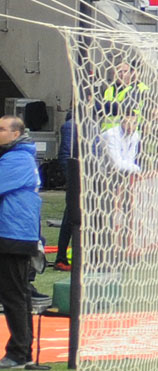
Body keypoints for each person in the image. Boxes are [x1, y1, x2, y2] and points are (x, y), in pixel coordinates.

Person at [0, 116, 41, 369]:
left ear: (16, 134)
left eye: (2, 129)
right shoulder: (18, 157)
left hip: (13, 234)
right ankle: (21, 350)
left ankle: (18, 352)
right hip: (16, 232)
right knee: (18, 294)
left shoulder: (17, 159)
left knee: (14, 294)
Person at [54, 111, 75, 271]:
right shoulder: (70, 126)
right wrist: (71, 178)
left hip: (87, 178)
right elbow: (65, 154)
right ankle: (61, 258)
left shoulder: (91, 124)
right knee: (70, 218)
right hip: (76, 179)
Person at [101, 61, 148, 131]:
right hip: (107, 134)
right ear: (114, 73)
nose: (122, 75)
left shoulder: (135, 89)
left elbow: (125, 107)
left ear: (130, 73)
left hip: (128, 133)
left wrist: (104, 105)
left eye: (125, 71)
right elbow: (98, 109)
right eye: (119, 72)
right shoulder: (108, 90)